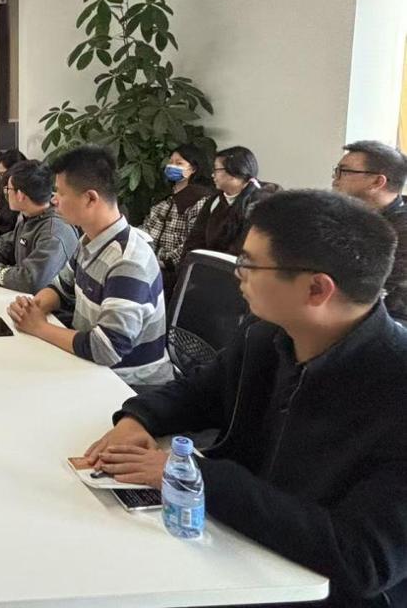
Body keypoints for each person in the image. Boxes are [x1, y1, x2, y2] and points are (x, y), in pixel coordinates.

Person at [84, 190, 407, 608]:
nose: (238, 274)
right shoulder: (267, 336)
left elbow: (361, 558)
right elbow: (199, 392)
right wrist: (139, 419)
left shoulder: (394, 387)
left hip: (308, 589)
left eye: (250, 264)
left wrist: (199, 478)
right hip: (233, 546)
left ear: (316, 289)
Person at [7, 145, 173, 386]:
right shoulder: (89, 240)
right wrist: (33, 308)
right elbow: (61, 288)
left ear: (90, 198)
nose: (54, 200)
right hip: (91, 367)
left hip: (130, 385)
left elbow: (106, 349)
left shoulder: (128, 262)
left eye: (61, 193)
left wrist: (39, 327)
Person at [0, 160, 79, 293]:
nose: (6, 193)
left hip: (44, 304)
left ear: (20, 195)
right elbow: (7, 246)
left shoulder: (54, 233)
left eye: (8, 189)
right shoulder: (30, 217)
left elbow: (31, 281)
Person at [332, 140, 407, 322]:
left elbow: (374, 288)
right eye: (336, 170)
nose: (335, 178)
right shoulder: (346, 216)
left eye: (344, 171)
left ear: (377, 181)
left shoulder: (402, 230)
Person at [141, 144, 213, 292]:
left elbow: (193, 242)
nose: (172, 166)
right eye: (171, 162)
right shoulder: (165, 197)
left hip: (174, 271)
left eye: (179, 163)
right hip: (149, 262)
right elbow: (147, 227)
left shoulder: (200, 199)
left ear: (193, 169)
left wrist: (165, 262)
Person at [180, 145, 267, 261]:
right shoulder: (214, 201)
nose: (212, 175)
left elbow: (244, 250)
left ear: (234, 172)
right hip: (206, 265)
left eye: (216, 170)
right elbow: (194, 240)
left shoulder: (260, 205)